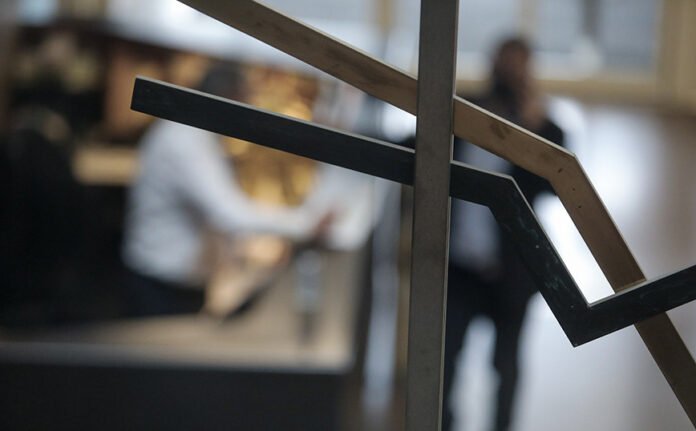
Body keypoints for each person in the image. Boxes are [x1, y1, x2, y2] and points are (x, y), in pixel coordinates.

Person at [122, 64, 331, 317]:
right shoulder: (185, 140)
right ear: (228, 99)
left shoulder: (196, 134)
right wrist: (305, 223)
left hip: (177, 280)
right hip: (163, 282)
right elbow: (227, 213)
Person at [443, 37, 565, 431]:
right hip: (459, 267)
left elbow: (554, 186)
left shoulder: (541, 127)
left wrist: (535, 128)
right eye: (504, 63)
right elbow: (418, 150)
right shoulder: (465, 112)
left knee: (506, 364)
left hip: (511, 272)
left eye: (519, 66)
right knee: (444, 358)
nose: (510, 73)